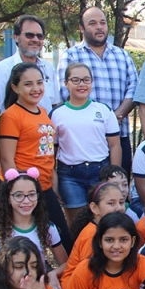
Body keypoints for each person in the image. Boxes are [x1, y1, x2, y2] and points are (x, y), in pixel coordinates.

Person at [0, 63, 71, 253]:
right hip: (24, 191)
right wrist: (18, 192)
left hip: (45, 187)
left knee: (62, 238)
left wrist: (53, 181)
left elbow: (46, 152)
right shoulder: (11, 116)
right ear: (15, 87)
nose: (36, 88)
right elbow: (6, 159)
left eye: (39, 82)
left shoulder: (43, 113)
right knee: (24, 243)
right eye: (28, 84)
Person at [57, 7, 138, 174]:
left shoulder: (122, 56)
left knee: (117, 189)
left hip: (119, 134)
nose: (99, 27)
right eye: (92, 23)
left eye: (103, 23)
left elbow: (134, 88)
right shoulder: (71, 56)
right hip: (84, 140)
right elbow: (65, 93)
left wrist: (115, 117)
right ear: (82, 28)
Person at [50, 62, 121, 226]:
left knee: (104, 221)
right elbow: (51, 152)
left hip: (100, 172)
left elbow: (114, 145)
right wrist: (53, 180)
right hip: (69, 175)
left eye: (86, 80)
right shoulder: (57, 114)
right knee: (78, 225)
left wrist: (114, 175)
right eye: (75, 80)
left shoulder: (103, 110)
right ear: (66, 83)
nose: (81, 84)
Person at [0, 168, 68, 289]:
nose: (26, 201)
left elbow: (66, 263)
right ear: (8, 198)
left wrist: (53, 274)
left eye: (31, 194)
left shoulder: (47, 227)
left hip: (40, 288)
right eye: (19, 195)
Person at [0, 15, 60, 113]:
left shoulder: (48, 67)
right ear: (16, 37)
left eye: (39, 36)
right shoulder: (2, 69)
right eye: (29, 35)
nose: (35, 39)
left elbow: (54, 104)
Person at [61, 182, 127, 284]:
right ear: (95, 208)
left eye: (121, 202)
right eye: (111, 203)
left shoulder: (106, 229)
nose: (118, 208)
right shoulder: (91, 235)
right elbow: (87, 276)